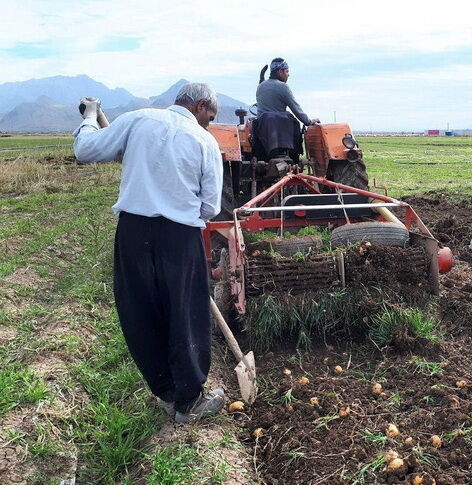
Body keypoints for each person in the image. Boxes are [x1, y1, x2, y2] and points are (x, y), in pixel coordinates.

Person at [73, 83, 227, 424]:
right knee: (185, 313)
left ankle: (166, 392)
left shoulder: (137, 120)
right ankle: (189, 402)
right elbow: (210, 205)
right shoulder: (204, 142)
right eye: (210, 117)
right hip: (181, 235)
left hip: (133, 231)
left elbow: (85, 150)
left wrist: (88, 117)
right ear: (200, 106)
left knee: (140, 310)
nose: (209, 124)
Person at [256, 57, 320, 126]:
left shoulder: (260, 87)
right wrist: (309, 122)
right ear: (280, 72)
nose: (288, 75)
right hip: (278, 131)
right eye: (287, 71)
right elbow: (296, 110)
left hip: (262, 132)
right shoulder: (283, 87)